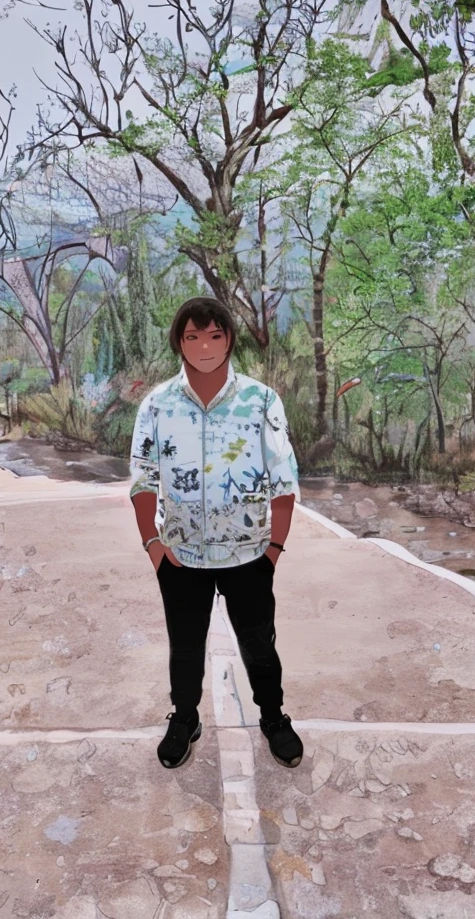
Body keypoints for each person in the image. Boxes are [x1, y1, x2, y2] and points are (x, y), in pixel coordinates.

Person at [129, 296, 304, 769]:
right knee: (184, 646)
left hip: (249, 555)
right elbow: (143, 479)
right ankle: (184, 718)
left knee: (259, 644)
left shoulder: (261, 400)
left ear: (228, 339)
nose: (204, 345)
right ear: (179, 343)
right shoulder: (157, 406)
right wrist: (153, 545)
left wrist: (274, 548)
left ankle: (273, 716)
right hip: (181, 557)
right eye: (192, 336)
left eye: (214, 335)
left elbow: (283, 480)